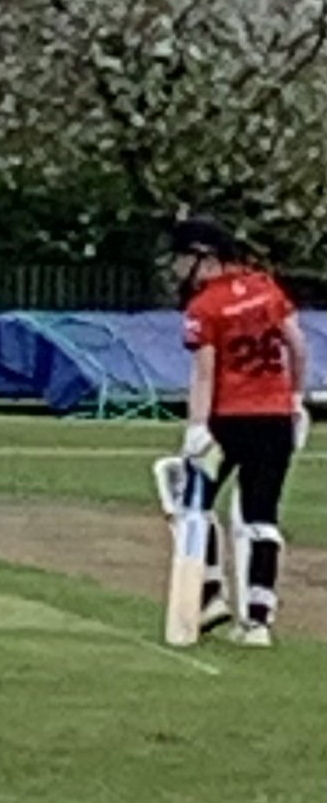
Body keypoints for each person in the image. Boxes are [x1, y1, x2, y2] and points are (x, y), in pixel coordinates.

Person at [173, 215, 308, 647]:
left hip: (228, 420)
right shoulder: (266, 289)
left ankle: (211, 593)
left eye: (181, 259)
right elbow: (298, 345)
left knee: (194, 503)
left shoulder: (205, 307)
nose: (176, 269)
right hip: (274, 417)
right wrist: (296, 398)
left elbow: (204, 374)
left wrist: (197, 427)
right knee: (260, 515)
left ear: (204, 259)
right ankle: (258, 618)